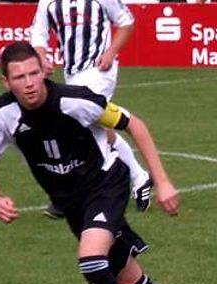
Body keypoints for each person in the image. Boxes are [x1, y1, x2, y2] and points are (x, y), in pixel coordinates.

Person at [0, 42, 217, 284]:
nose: (29, 83)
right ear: (5, 81)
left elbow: (135, 125)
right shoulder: (4, 115)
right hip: (73, 204)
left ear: (45, 71)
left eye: (34, 73)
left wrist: (162, 181)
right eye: (19, 77)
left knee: (91, 259)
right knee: (129, 281)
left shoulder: (75, 101)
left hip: (106, 184)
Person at [30, 0, 153, 219]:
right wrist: (41, 58)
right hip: (72, 73)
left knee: (75, 123)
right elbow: (39, 34)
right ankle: (139, 177)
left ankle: (74, 192)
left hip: (99, 71)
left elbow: (126, 22)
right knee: (99, 129)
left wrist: (111, 52)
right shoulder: (47, 2)